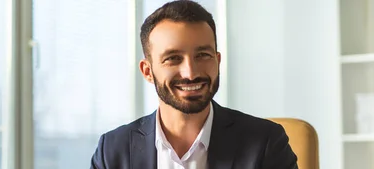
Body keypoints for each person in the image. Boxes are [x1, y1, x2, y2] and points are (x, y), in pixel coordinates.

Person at [90, 0, 298, 168]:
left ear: (217, 60)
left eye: (202, 55)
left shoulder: (266, 143)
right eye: (173, 58)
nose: (191, 73)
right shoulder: (112, 151)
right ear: (147, 71)